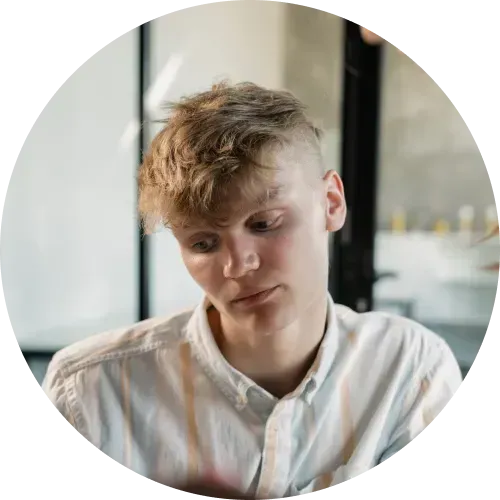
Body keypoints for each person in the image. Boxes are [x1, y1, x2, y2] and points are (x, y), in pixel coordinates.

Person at [40, 81, 464, 496]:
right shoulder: (89, 391)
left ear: (331, 204)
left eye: (264, 224)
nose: (237, 265)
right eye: (203, 244)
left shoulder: (411, 371)